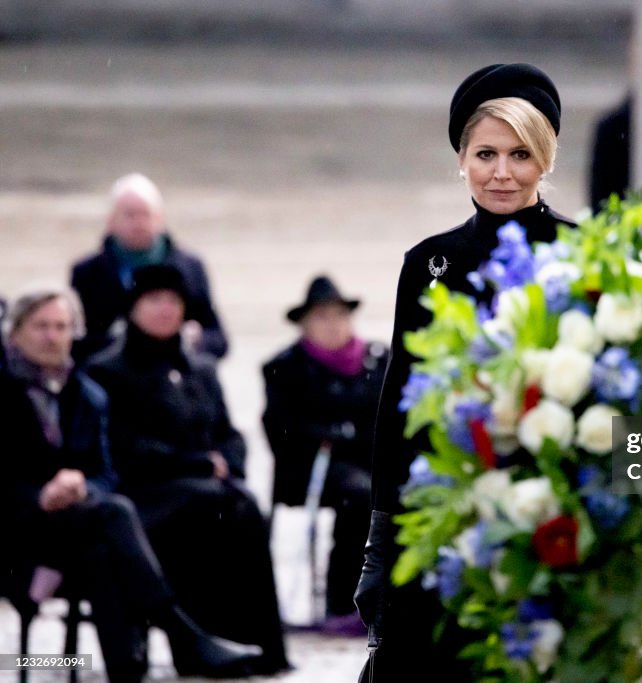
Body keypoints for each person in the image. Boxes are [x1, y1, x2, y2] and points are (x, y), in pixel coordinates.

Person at [353, 63, 576, 680]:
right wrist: (382, 540)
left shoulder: (581, 254)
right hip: (443, 511)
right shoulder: (428, 263)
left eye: (519, 155)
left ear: (546, 160)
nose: (501, 172)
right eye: (485, 154)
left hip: (541, 512)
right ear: (461, 159)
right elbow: (398, 405)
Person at [0, 286, 261, 683]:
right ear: (14, 332)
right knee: (117, 514)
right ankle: (182, 634)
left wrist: (81, 486)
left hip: (73, 530)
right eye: (40, 326)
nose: (52, 336)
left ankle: (121, 671)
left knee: (102, 548)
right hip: (15, 533)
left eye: (61, 326)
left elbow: (106, 473)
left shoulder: (86, 395)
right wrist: (41, 495)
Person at [85, 264, 291, 675]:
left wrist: (229, 464)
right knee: (214, 505)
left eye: (174, 302)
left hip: (204, 488)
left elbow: (229, 433)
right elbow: (125, 446)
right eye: (155, 301)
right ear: (134, 308)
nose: (166, 310)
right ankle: (198, 640)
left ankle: (260, 642)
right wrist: (196, 463)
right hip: (146, 493)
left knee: (242, 505)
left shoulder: (201, 368)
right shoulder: (108, 370)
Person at [262, 274, 388, 634]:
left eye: (338, 316)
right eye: (321, 317)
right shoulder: (284, 367)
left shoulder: (377, 361)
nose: (332, 325)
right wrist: (335, 434)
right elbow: (280, 428)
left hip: (368, 462)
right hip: (310, 467)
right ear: (304, 324)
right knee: (359, 496)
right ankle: (343, 601)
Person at [70, 173, 228, 363]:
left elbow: (219, 340)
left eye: (146, 214)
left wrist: (194, 340)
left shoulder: (189, 267)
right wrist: (131, 342)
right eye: (130, 215)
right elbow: (73, 342)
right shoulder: (87, 272)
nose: (139, 223)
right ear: (111, 221)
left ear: (160, 219)